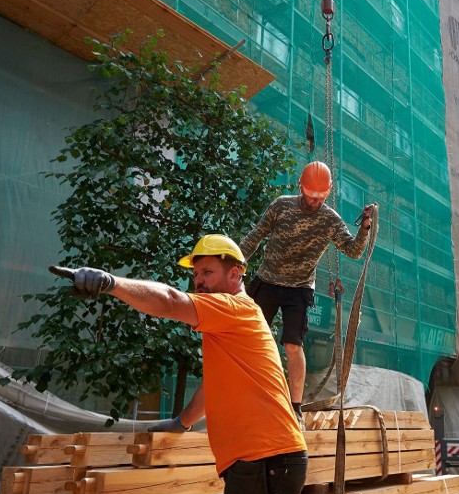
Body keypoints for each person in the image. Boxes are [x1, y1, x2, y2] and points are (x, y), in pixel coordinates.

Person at [54, 234, 308, 494]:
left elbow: (171, 301)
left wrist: (110, 283)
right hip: (271, 461)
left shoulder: (235, 308)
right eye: (196, 273)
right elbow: (214, 385)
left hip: (264, 461)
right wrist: (182, 423)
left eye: (208, 272)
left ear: (235, 274)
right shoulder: (229, 322)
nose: (198, 281)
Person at [154, 162, 373, 431]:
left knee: (293, 345)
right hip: (267, 282)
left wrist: (364, 227)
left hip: (300, 288)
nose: (315, 200)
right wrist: (233, 268)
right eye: (310, 194)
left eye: (320, 196)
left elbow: (352, 251)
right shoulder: (281, 206)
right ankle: (228, 402)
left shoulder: (330, 219)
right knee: (242, 341)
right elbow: (254, 237)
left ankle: (295, 408)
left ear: (328, 192)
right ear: (300, 187)